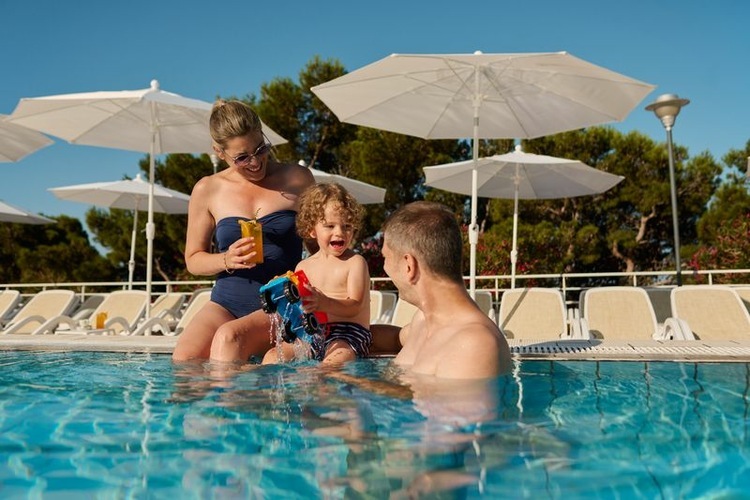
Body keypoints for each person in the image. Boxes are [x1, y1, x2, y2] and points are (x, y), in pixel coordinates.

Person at [172, 100, 314, 362]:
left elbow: (319, 250)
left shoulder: (298, 178)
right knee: (184, 360)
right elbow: (193, 259)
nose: (256, 162)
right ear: (219, 152)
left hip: (280, 302)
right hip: (226, 303)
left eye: (260, 148)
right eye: (242, 157)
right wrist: (226, 259)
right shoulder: (207, 189)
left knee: (229, 339)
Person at [379, 201, 512, 378]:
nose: (385, 268)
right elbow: (394, 339)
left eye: (385, 258)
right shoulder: (423, 320)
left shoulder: (474, 344)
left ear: (408, 266)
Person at [263, 182, 372, 365]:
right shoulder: (304, 266)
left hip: (348, 333)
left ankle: (323, 380)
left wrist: (325, 303)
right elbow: (299, 307)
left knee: (336, 359)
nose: (340, 232)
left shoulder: (355, 262)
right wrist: (280, 292)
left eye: (347, 226)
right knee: (273, 356)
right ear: (311, 230)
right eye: (330, 226)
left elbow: (355, 306)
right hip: (313, 332)